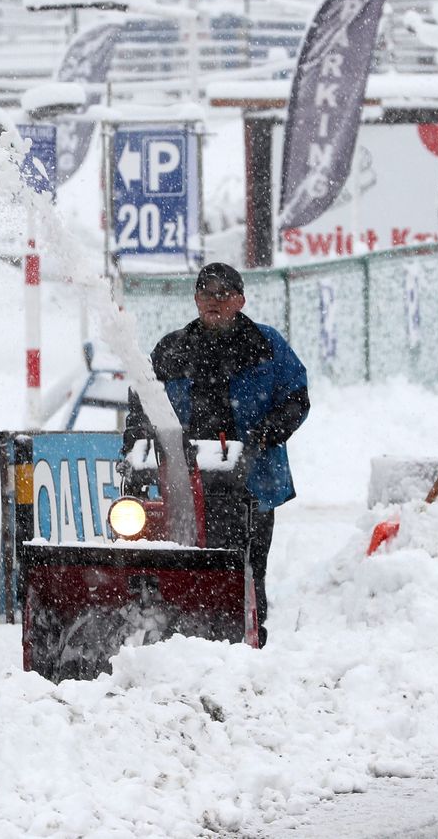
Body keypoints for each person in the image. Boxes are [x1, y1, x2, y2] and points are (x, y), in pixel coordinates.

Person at [122, 261, 309, 646]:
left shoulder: (266, 346)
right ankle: (181, 635)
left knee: (248, 567)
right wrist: (138, 444)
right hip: (183, 481)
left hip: (252, 484)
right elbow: (142, 402)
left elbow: (296, 398)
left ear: (240, 300)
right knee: (181, 562)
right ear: (195, 299)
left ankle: (249, 638)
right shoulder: (172, 349)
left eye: (222, 295)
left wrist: (263, 436)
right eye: (206, 294)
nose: (213, 302)